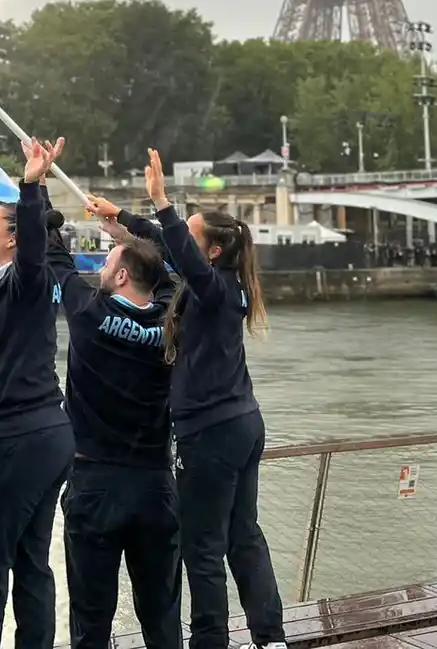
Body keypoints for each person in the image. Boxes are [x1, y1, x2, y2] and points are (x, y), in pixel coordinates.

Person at [145, 149, 285, 649]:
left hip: (210, 432)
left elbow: (178, 249)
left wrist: (162, 200)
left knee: (202, 546)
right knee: (243, 534)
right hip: (244, 423)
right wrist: (118, 216)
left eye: (190, 229)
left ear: (211, 253)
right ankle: (271, 637)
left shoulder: (212, 287)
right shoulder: (230, 287)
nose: (181, 231)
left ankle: (210, 641)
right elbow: (172, 243)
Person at [0, 138, 74, 649]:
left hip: (19, 439)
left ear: (14, 240)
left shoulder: (30, 277)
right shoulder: (3, 281)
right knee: (31, 561)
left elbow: (31, 239)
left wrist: (31, 186)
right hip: (49, 434)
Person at [58, 193, 179, 649]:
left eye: (109, 263)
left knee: (91, 616)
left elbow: (51, 255)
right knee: (162, 611)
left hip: (96, 481)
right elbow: (165, 260)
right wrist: (125, 224)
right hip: (155, 482)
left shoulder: (89, 314)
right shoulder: (172, 319)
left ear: (123, 275)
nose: (102, 270)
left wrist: (36, 189)